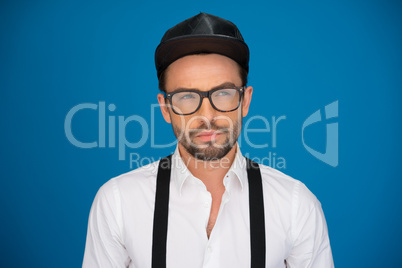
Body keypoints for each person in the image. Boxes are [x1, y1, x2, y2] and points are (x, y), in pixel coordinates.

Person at [83, 13, 334, 268]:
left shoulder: (296, 205)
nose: (207, 115)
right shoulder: (117, 203)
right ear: (165, 108)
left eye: (223, 93)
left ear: (245, 101)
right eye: (187, 96)